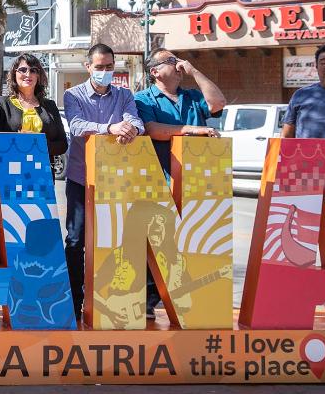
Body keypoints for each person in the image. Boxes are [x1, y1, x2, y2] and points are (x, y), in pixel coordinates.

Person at [134, 47, 226, 319]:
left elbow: (217, 103)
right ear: (155, 72)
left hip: (198, 181)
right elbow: (153, 130)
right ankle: (149, 299)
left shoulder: (193, 97)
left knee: (196, 238)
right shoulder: (143, 99)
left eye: (178, 61)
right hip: (159, 178)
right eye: (171, 61)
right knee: (156, 240)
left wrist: (195, 71)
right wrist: (191, 129)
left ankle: (194, 298)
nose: (178, 65)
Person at [62, 43, 145, 320]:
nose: (105, 72)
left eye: (109, 67)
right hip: (80, 178)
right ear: (88, 67)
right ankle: (73, 300)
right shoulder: (73, 95)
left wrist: (130, 130)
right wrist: (110, 128)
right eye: (99, 68)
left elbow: (136, 121)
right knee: (76, 240)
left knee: (114, 241)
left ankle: (108, 303)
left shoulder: (123, 94)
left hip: (114, 180)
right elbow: (75, 127)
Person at [0, 55, 68, 180]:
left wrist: (37, 143)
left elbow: (62, 145)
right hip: (9, 175)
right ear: (14, 74)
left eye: (33, 70)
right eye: (23, 70)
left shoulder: (50, 106)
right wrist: (18, 141)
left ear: (38, 76)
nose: (28, 74)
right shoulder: (0, 105)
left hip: (42, 176)